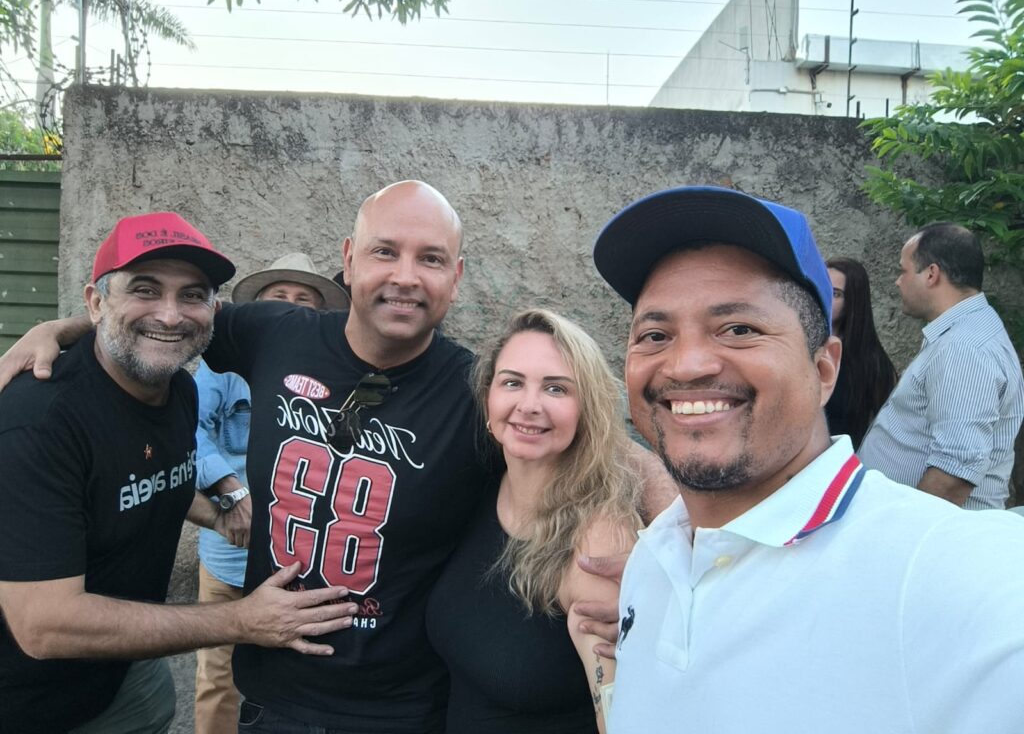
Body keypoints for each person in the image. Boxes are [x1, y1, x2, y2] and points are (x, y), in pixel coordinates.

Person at [0, 181, 650, 732]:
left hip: (402, 708)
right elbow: (171, 322)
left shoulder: (475, 390)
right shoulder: (271, 333)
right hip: (271, 697)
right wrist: (63, 328)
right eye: (385, 251)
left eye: (430, 258)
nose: (404, 276)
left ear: (455, 277)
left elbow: (593, 442)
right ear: (348, 260)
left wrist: (680, 532)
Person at [591, 185, 1024, 733]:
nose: (687, 365)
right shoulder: (654, 555)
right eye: (655, 334)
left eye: (739, 329)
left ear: (823, 369)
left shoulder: (944, 572)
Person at [0, 212, 356, 734]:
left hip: (125, 669)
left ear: (213, 310)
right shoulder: (40, 422)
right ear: (95, 302)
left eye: (191, 295)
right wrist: (241, 620)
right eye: (145, 289)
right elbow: (43, 625)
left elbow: (151, 478)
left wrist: (217, 515)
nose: (170, 315)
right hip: (32, 700)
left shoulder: (177, 389)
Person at [425, 309, 641, 734]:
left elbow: (621, 717)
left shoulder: (597, 540)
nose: (528, 405)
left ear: (587, 408)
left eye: (556, 388)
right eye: (512, 382)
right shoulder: (482, 486)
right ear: (488, 397)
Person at [193, 252, 350, 734]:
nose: (290, 307)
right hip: (230, 555)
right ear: (255, 308)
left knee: (297, 679)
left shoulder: (331, 373)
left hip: (299, 565)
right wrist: (231, 489)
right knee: (218, 678)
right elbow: (186, 429)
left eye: (304, 300)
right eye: (279, 297)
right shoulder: (221, 369)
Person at [859, 224, 1024, 509]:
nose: (898, 282)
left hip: (925, 530)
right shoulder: (963, 334)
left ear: (931, 274)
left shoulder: (965, 347)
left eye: (903, 271)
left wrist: (905, 530)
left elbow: (953, 475)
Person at [824, 256, 897, 448]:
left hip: (841, 459)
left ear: (853, 301)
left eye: (835, 293)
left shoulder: (872, 362)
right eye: (822, 287)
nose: (825, 297)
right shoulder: (802, 344)